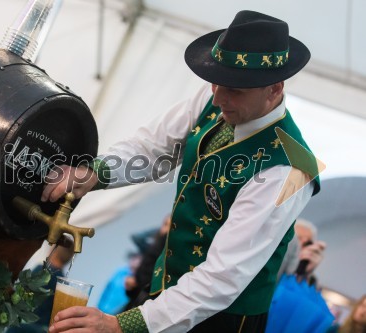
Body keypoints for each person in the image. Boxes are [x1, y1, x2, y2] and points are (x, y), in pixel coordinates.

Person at [43, 10, 321, 333]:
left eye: (235, 89)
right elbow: (154, 149)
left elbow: (221, 278)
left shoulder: (291, 168)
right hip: (166, 294)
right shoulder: (218, 96)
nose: (218, 97)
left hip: (221, 321)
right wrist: (93, 173)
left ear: (274, 88)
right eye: (216, 83)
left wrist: (123, 325)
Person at [7, 242, 75, 332]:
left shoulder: (41, 271)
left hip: (21, 328)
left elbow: (17, 297)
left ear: (53, 250)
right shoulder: (63, 284)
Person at [124, 214, 171, 310]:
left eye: (170, 226)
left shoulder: (164, 250)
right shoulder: (153, 248)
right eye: (164, 224)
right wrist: (132, 285)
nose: (165, 230)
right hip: (139, 299)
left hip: (147, 305)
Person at [277, 218, 326, 283]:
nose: (300, 246)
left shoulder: (311, 283)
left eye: (307, 243)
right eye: (298, 239)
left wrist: (304, 274)